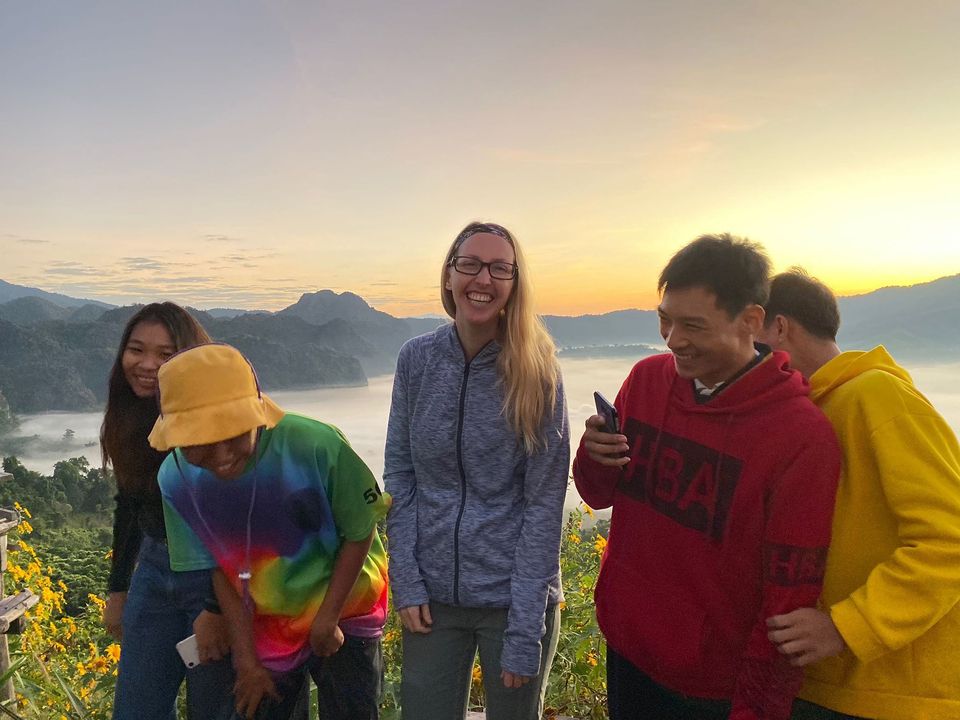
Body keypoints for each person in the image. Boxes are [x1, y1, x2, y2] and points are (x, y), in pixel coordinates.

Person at [573, 234, 842, 720]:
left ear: (751, 321)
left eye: (693, 325)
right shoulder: (647, 380)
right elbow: (596, 493)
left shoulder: (802, 437)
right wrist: (594, 456)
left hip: (713, 685)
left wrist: (758, 707)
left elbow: (789, 594)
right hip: (629, 647)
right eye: (665, 320)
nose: (674, 339)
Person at [384, 221, 569, 720]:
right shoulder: (416, 360)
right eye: (469, 264)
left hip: (515, 600)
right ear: (448, 276)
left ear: (514, 284)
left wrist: (527, 625)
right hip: (432, 600)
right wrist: (407, 580)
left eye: (499, 268)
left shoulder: (537, 372)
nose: (482, 278)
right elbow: (400, 476)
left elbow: (544, 504)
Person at [148, 342, 390, 720]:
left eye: (234, 432)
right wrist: (247, 662)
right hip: (271, 619)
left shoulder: (315, 445)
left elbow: (359, 532)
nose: (223, 452)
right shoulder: (176, 482)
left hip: (348, 605)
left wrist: (328, 618)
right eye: (200, 442)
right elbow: (219, 570)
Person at [760, 269, 960, 720]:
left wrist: (847, 627)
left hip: (894, 696)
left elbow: (949, 539)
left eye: (748, 333)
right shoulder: (810, 408)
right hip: (824, 680)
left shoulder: (878, 394)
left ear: (778, 327)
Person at [101, 302, 234, 720]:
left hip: (216, 578)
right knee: (136, 710)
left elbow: (234, 521)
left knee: (213, 709)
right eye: (136, 350)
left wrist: (216, 608)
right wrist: (118, 588)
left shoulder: (218, 423)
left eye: (165, 354)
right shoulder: (129, 417)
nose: (146, 364)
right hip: (155, 573)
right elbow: (130, 503)